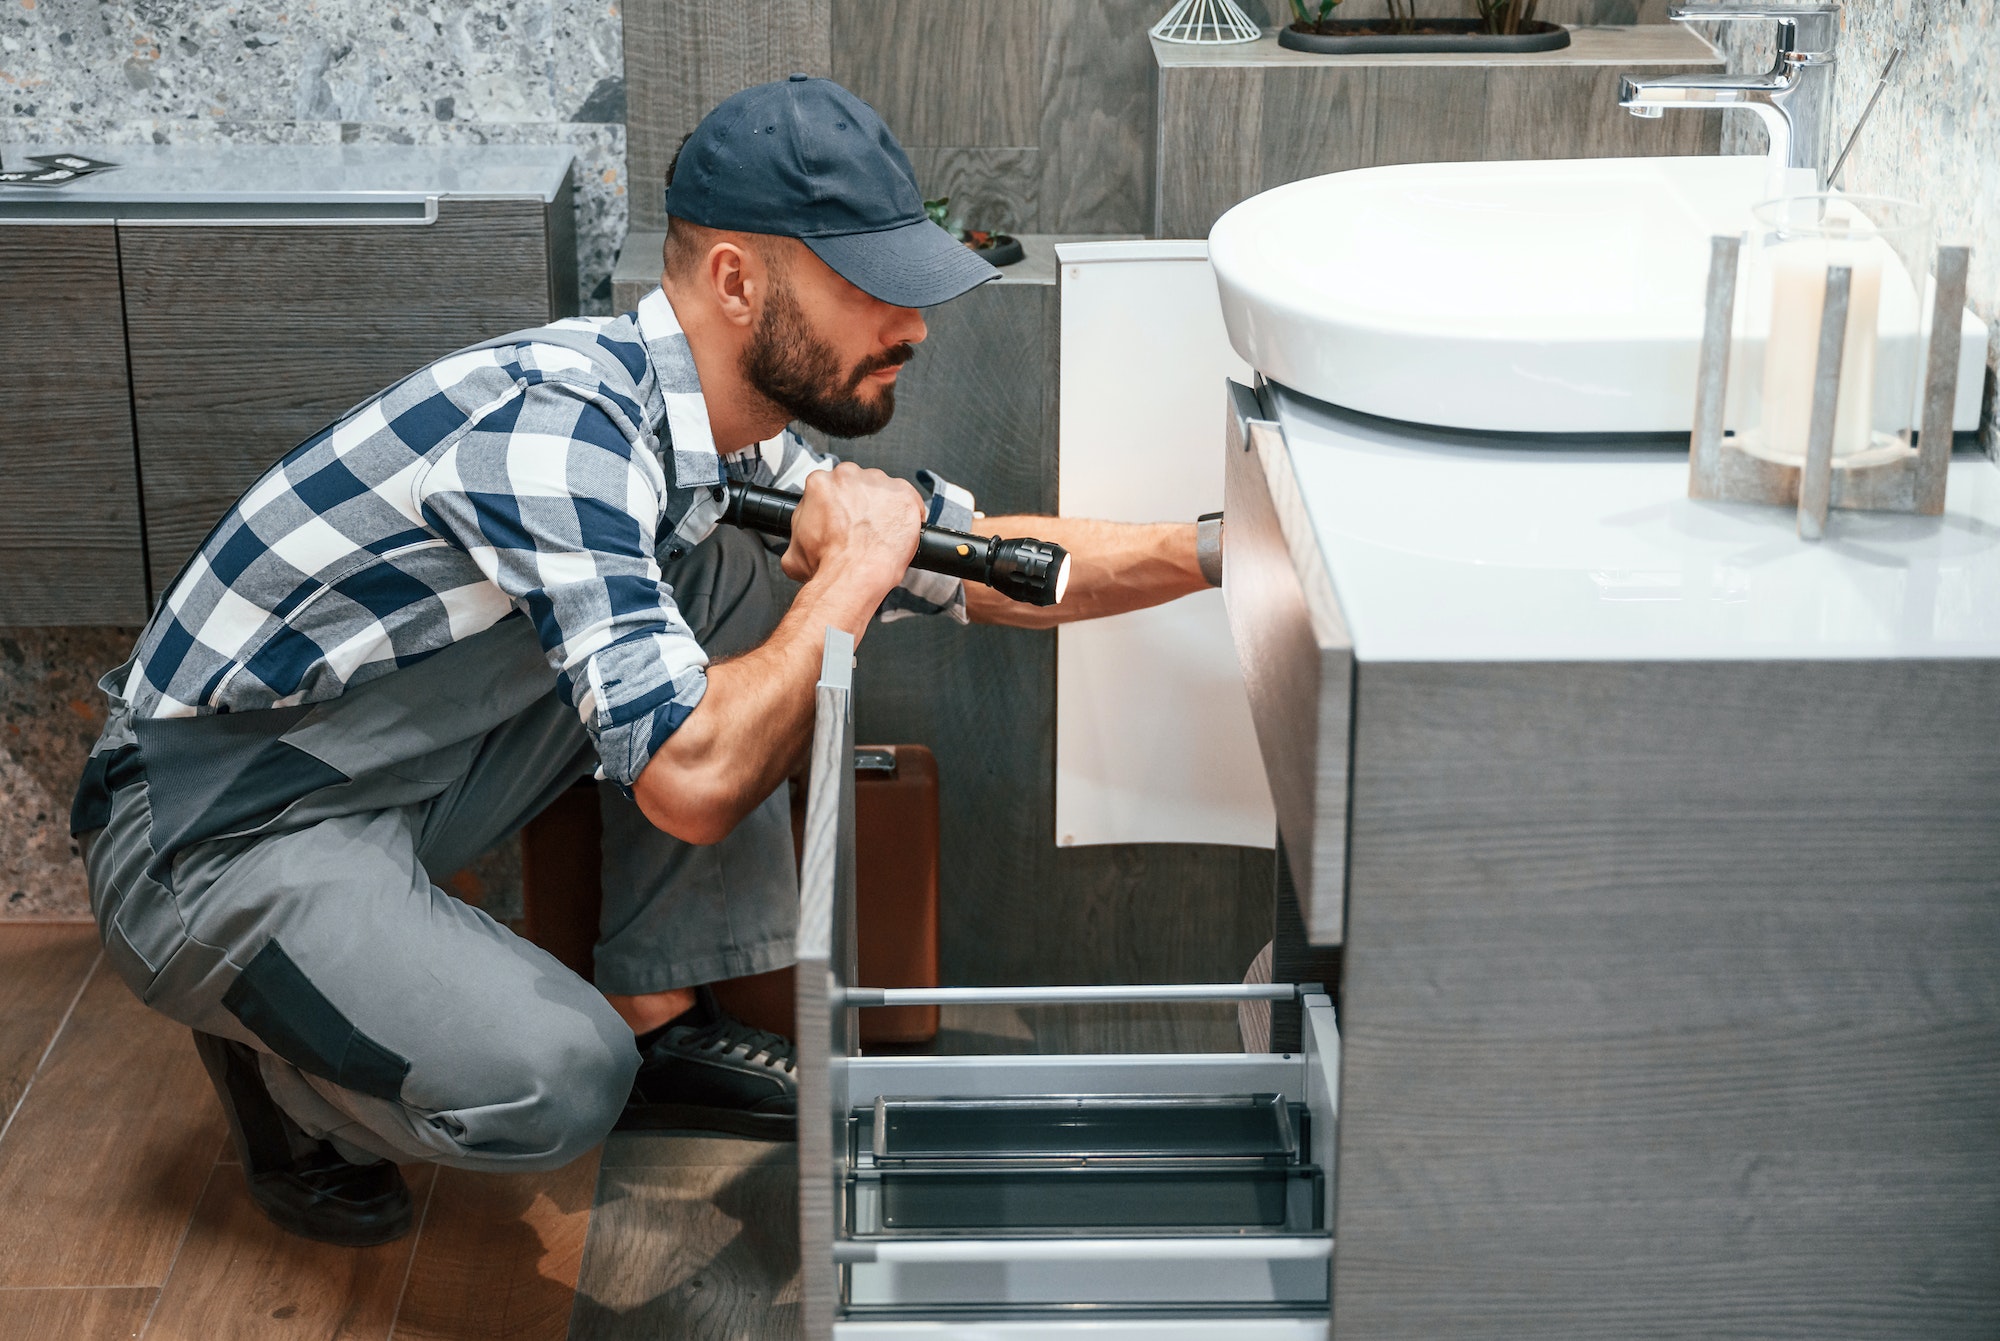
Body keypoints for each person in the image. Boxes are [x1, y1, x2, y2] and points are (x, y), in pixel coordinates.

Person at [69, 75, 1222, 1248]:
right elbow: (693, 782)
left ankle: (657, 1006)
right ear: (736, 281)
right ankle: (284, 1073)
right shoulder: (558, 432)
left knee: (724, 564)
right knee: (557, 1081)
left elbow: (974, 560)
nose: (913, 326)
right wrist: (847, 577)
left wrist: (1222, 553)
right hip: (211, 832)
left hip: (391, 779)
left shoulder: (711, 436)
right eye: (874, 290)